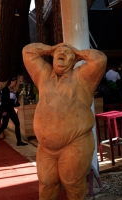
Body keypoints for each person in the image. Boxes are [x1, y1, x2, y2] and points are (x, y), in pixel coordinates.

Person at [22, 42, 107, 200]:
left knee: (73, 183)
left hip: (75, 142)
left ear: (74, 61)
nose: (62, 54)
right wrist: (51, 49)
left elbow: (99, 59)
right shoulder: (43, 75)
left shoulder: (81, 77)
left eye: (67, 53)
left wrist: (78, 53)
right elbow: (28, 51)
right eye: (59, 52)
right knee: (47, 183)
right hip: (46, 147)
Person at [0, 77, 28, 146]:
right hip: (6, 109)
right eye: (15, 82)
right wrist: (4, 110)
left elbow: (18, 96)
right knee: (4, 125)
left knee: (17, 123)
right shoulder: (5, 89)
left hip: (11, 109)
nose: (15, 83)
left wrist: (21, 84)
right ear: (11, 81)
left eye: (16, 82)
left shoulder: (13, 90)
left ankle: (19, 141)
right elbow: (3, 101)